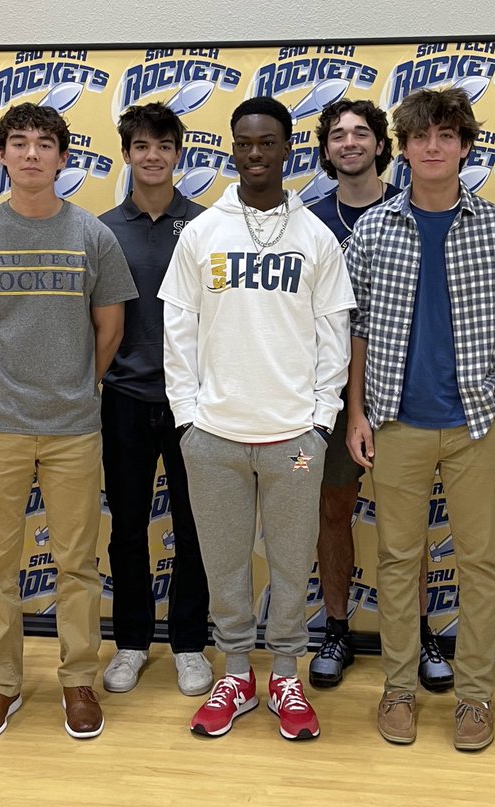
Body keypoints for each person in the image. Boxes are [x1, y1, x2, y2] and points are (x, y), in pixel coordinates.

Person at [0, 102, 137, 742]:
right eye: (17, 143)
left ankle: (78, 680)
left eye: (43, 144)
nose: (29, 154)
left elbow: (110, 330)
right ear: (0, 156)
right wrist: (7, 381)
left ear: (63, 158)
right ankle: (1, 685)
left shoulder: (93, 236)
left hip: (74, 425)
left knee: (76, 563)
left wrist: (74, 382)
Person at [160, 96, 355, 741]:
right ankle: (237, 672)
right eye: (244, 143)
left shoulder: (315, 235)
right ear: (232, 149)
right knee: (225, 565)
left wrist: (321, 418)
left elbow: (335, 333)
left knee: (294, 564)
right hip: (214, 435)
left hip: (293, 437)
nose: (254, 154)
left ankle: (288, 677)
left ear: (287, 149)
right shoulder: (202, 232)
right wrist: (187, 415)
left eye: (267, 143)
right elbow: (177, 328)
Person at [345, 87, 495, 751]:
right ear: (406, 147)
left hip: (476, 423)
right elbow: (358, 328)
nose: (433, 147)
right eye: (422, 136)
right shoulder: (373, 229)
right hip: (395, 421)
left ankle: (474, 698)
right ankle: (398, 688)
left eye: (447, 136)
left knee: (479, 562)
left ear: (465, 146)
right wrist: (357, 412)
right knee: (398, 560)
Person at [306, 98, 453, 695]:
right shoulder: (308, 223)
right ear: (325, 150)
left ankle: (419, 633)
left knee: (405, 524)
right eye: (337, 135)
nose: (348, 143)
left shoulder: (411, 209)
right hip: (328, 396)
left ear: (381, 145)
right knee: (334, 512)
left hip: (400, 393)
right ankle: (337, 628)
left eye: (360, 133)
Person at [98, 103, 211, 697]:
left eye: (164, 145)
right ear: (127, 154)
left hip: (194, 403)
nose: (152, 155)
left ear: (178, 153)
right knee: (127, 528)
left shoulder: (205, 227)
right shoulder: (101, 230)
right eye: (141, 145)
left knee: (195, 528)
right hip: (122, 397)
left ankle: (190, 644)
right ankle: (133, 643)